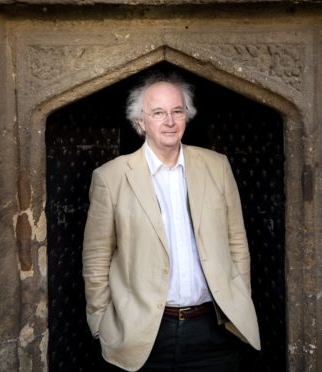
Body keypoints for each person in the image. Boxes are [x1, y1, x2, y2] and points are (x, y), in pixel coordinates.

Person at [82, 73, 260, 372]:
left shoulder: (218, 166)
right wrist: (101, 323)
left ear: (186, 117)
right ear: (141, 122)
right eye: (158, 113)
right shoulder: (110, 178)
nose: (169, 121)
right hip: (143, 334)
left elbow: (236, 242)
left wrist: (239, 301)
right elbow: (96, 257)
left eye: (177, 111)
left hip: (213, 330)